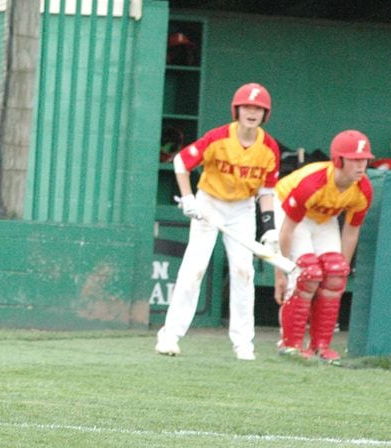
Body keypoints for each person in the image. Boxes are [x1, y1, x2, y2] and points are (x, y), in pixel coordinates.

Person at [155, 83, 281, 360]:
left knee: (243, 272)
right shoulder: (218, 137)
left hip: (242, 209)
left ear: (264, 114)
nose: (252, 112)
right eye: (247, 107)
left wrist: (270, 229)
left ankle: (243, 344)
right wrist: (189, 199)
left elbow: (266, 191)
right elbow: (180, 162)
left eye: (258, 108)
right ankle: (170, 335)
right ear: (237, 110)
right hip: (209, 203)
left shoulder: (269, 147)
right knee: (194, 268)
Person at [274, 129, 374, 364]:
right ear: (339, 160)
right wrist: (281, 271)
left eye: (365, 160)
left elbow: (351, 230)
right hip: (289, 213)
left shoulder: (363, 188)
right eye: (355, 160)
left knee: (335, 273)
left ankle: (321, 346)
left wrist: (342, 269)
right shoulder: (312, 183)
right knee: (307, 273)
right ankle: (291, 344)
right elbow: (287, 230)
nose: (361, 166)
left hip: (322, 218)